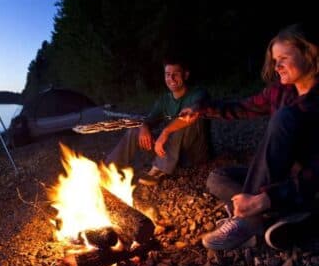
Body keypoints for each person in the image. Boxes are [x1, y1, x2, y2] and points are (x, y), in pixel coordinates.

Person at [160, 23, 319, 250]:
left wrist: (265, 198)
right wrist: (202, 109)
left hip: (305, 184)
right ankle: (274, 219)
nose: (278, 67)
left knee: (284, 118)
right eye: (275, 61)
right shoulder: (281, 91)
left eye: (284, 58)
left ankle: (251, 220)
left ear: (309, 54)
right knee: (217, 178)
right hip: (277, 179)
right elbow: (242, 107)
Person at [105, 54, 212, 186]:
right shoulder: (164, 100)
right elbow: (149, 120)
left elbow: (194, 110)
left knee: (186, 118)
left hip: (193, 155)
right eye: (167, 74)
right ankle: (108, 169)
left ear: (186, 75)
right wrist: (144, 127)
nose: (171, 78)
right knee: (135, 131)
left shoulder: (198, 93)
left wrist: (165, 132)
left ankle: (158, 170)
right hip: (170, 154)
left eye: (176, 74)